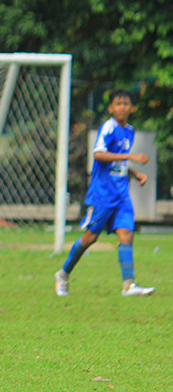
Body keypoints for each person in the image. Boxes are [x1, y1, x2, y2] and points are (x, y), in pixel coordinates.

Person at [55, 88, 154, 297]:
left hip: (121, 194)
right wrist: (132, 157)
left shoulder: (130, 130)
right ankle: (63, 274)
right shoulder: (108, 128)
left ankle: (129, 285)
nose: (122, 107)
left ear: (131, 107)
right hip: (103, 194)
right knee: (91, 237)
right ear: (111, 108)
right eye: (118, 104)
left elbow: (118, 160)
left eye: (126, 104)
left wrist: (134, 173)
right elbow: (99, 154)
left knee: (126, 234)